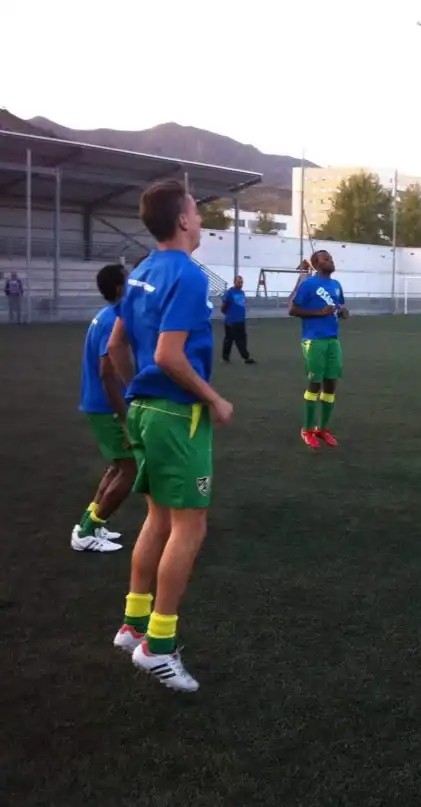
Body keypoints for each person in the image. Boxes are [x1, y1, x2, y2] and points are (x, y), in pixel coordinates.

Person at [106, 178, 233, 692]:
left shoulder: (140, 273)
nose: (200, 221)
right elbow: (167, 355)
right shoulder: (186, 274)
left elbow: (117, 347)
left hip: (144, 410)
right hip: (178, 416)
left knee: (158, 518)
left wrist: (142, 391)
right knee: (190, 526)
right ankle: (157, 647)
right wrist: (213, 397)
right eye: (197, 213)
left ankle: (132, 625)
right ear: (182, 220)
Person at [72, 263, 135, 552]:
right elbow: (106, 372)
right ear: (121, 287)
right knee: (130, 469)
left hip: (99, 404)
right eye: (129, 279)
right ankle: (87, 531)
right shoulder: (113, 320)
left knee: (118, 466)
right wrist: (124, 418)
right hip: (107, 406)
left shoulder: (104, 316)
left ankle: (91, 522)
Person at [289, 250, 347, 448]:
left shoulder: (336, 285)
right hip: (314, 340)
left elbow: (340, 308)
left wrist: (343, 311)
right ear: (315, 264)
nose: (330, 260)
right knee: (315, 383)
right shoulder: (308, 284)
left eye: (330, 257)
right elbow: (292, 310)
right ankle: (307, 429)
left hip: (333, 340)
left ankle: (323, 429)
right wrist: (318, 312)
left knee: (331, 385)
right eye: (325, 258)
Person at [221, 275, 255, 364]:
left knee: (242, 339)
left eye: (242, 282)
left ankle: (245, 357)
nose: (241, 284)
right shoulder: (230, 293)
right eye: (239, 282)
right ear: (234, 282)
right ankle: (225, 357)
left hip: (241, 321)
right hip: (231, 322)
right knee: (229, 340)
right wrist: (229, 315)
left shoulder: (242, 293)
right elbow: (223, 307)